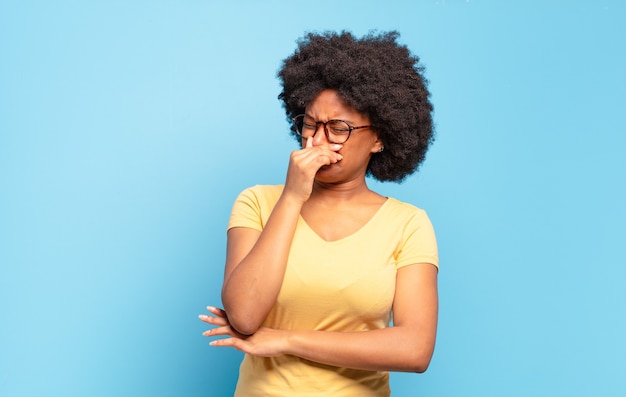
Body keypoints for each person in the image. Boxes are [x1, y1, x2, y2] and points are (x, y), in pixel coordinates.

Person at [199, 30, 439, 397]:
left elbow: (415, 349)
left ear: (379, 138)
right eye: (309, 124)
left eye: (338, 129)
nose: (317, 141)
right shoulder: (257, 203)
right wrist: (293, 197)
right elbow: (244, 317)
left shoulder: (408, 224)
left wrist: (286, 340)